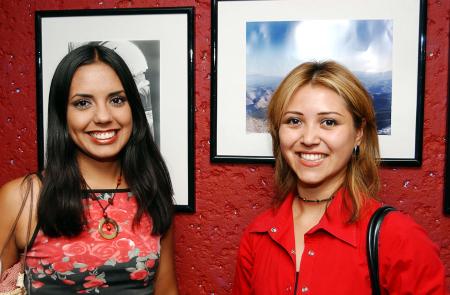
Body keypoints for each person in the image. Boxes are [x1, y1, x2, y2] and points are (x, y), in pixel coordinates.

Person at [232, 61, 446, 294]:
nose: (309, 138)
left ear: (359, 133)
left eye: (329, 122)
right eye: (294, 121)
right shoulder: (257, 236)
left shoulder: (399, 238)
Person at [0, 44, 178, 294]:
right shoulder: (22, 198)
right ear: (62, 115)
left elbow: (166, 291)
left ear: (133, 108)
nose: (103, 116)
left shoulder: (150, 189)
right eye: (83, 103)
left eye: (117, 100)